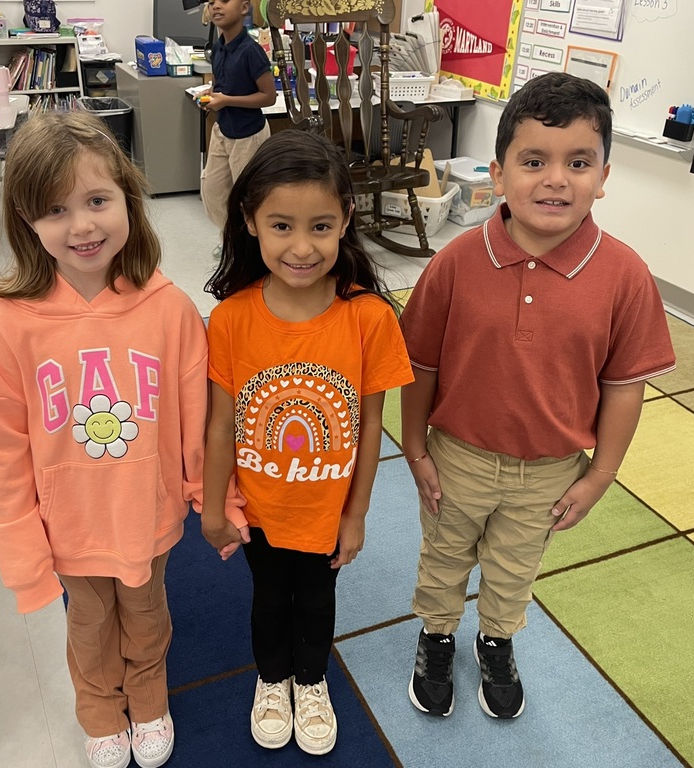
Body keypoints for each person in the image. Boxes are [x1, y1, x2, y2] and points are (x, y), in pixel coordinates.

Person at [0, 110, 242, 768]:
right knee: (89, 623)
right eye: (55, 210)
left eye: (96, 201)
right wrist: (23, 539)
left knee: (147, 612)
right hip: (70, 526)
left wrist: (211, 496)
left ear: (128, 202)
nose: (82, 225)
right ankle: (97, 704)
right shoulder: (6, 325)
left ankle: (146, 692)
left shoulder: (167, 308)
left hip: (147, 513)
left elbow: (197, 414)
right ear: (27, 221)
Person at [401, 72, 676, 720]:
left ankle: (496, 640)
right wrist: (415, 450)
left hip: (551, 471)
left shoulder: (625, 275)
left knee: (514, 570)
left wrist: (600, 476)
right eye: (534, 161)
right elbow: (420, 365)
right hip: (457, 458)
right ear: (498, 174)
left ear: (603, 175)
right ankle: (436, 634)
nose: (556, 179)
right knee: (443, 557)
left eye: (578, 162)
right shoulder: (456, 262)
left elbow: (624, 387)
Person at [202, 130, 414, 755]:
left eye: (320, 225)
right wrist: (214, 508)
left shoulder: (369, 318)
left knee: (317, 604)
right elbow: (221, 424)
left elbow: (371, 424)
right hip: (261, 509)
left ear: (346, 218)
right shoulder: (232, 318)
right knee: (269, 600)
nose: (302, 247)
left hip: (327, 512)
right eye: (281, 226)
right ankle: (272, 681)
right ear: (249, 222)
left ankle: (311, 680)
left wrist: (357, 513)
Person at [199, 0, 276, 250]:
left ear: (244, 8)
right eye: (212, 3)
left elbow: (268, 97)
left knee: (248, 197)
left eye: (224, 1)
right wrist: (211, 95)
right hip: (223, 129)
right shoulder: (218, 47)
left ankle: (249, 247)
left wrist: (227, 100)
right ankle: (233, 237)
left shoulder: (251, 50)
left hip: (248, 135)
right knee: (212, 192)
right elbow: (223, 83)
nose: (216, 7)